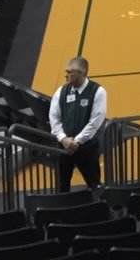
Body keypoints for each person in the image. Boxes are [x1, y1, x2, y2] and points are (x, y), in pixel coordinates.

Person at [50, 57, 107, 191]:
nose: (66, 75)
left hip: (87, 147)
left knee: (94, 184)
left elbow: (95, 122)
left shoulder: (98, 92)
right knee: (62, 184)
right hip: (64, 146)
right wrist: (63, 139)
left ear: (82, 73)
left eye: (70, 72)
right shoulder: (61, 92)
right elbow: (54, 118)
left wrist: (76, 141)